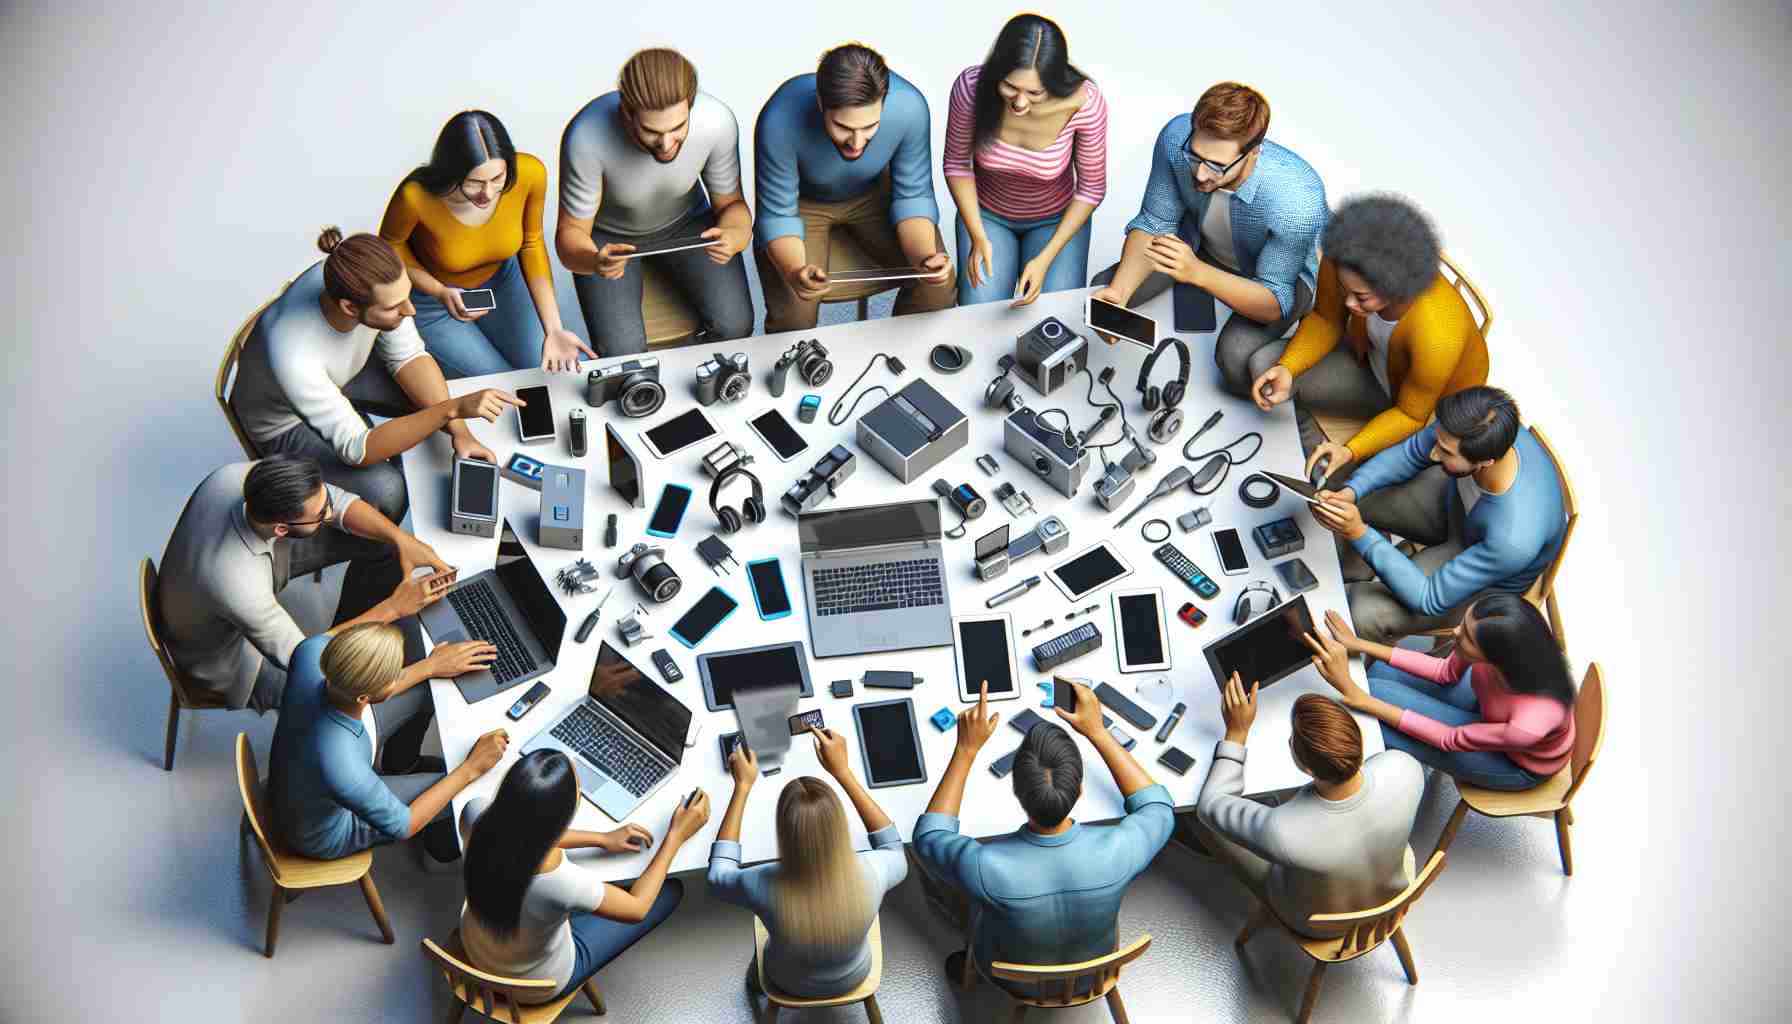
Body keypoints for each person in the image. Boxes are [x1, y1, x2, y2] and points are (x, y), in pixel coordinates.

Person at [229, 227, 520, 553]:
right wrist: (449, 410)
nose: (410, 311)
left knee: (440, 411)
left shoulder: (361, 278)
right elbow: (357, 450)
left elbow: (408, 355)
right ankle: (380, 555)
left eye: (407, 296)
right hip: (283, 422)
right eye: (396, 307)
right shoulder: (293, 354)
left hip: (345, 373)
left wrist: (459, 431)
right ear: (350, 308)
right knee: (388, 489)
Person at [913, 681, 1172, 992]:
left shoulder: (984, 863)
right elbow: (1158, 808)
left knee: (937, 874)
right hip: (1093, 975)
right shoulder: (1120, 847)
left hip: (1015, 979)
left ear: (1018, 792)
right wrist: (1099, 732)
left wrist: (966, 750)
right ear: (1079, 790)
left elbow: (928, 837)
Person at [157, 455, 454, 713]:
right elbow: (309, 661)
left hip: (235, 578)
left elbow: (336, 501)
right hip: (231, 661)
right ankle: (397, 762)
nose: (330, 511)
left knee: (385, 546)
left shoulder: (239, 478)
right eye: (321, 513)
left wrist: (401, 539)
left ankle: (349, 630)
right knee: (340, 693)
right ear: (282, 528)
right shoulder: (236, 585)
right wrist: (395, 610)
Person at [1089, 82, 1327, 397]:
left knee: (1236, 361)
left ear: (1253, 152)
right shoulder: (1176, 137)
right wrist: (1119, 293)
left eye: (1216, 165)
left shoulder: (1297, 201)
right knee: (1103, 292)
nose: (1200, 174)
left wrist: (1197, 274)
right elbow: (1154, 221)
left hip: (1275, 277)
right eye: (1195, 156)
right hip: (1200, 247)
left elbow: (1275, 301)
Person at [1249, 194, 1489, 485]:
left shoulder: (1438, 335)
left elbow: (1411, 415)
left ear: (1400, 289)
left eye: (1361, 297)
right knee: (1265, 366)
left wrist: (1351, 450)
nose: (1348, 303)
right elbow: (1326, 319)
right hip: (1368, 365)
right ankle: (1318, 437)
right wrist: (1289, 367)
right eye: (1343, 288)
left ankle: (1329, 444)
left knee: (1336, 483)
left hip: (1414, 410)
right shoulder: (1344, 260)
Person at [1310, 386, 1567, 643]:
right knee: (1340, 487)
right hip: (1453, 509)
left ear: (1486, 462)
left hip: (1483, 574)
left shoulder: (1513, 540)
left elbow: (1428, 598)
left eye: (1445, 452)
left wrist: (1360, 534)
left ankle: (1352, 663)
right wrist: (1353, 491)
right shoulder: (1476, 427)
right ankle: (1351, 567)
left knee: (1364, 612)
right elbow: (1410, 452)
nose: (1433, 453)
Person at [460, 750, 705, 1004]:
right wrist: (677, 835)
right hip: (533, 984)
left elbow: (522, 829)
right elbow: (637, 908)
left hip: (475, 950)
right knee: (669, 891)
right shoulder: (563, 883)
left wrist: (601, 839)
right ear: (562, 817)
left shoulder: (474, 814)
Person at [1193, 673, 1423, 937]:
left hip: (1318, 924)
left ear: (1305, 767)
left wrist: (1236, 732)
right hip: (1392, 895)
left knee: (1200, 821)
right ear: (1356, 738)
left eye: (1292, 741)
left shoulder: (1281, 830)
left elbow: (1210, 804)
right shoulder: (1405, 767)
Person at [556, 48, 754, 355]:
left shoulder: (717, 122)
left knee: (735, 326)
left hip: (688, 223)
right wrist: (595, 260)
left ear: (691, 105)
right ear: (625, 112)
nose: (665, 144)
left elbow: (732, 206)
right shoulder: (586, 136)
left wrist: (735, 234)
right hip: (610, 238)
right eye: (651, 131)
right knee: (621, 351)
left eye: (678, 128)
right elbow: (569, 238)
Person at [753, 43, 954, 333]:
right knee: (795, 312)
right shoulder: (780, 117)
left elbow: (913, 196)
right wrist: (796, 272)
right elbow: (777, 216)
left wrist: (926, 259)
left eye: (870, 126)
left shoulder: (910, 107)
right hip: (802, 204)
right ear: (821, 103)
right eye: (843, 127)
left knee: (938, 288)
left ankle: (901, 360)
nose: (857, 143)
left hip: (873, 195)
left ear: (884, 101)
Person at [379, 110, 595, 377]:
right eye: (474, 183)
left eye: (497, 179)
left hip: (502, 281)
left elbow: (531, 244)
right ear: (451, 173)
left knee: (541, 369)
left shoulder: (531, 173)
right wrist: (438, 291)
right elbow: (389, 247)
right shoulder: (415, 196)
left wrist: (555, 329)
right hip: (433, 300)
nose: (488, 193)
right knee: (500, 381)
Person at [267, 622, 507, 861]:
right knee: (473, 779)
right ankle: (442, 844)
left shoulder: (311, 651)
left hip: (306, 773)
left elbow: (346, 661)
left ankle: (402, 763)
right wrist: (470, 769)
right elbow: (404, 825)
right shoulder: (343, 767)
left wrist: (431, 665)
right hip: (324, 833)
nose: (401, 674)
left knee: (429, 686)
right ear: (364, 697)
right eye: (394, 676)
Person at [710, 730, 907, 1001]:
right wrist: (843, 772)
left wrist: (742, 788)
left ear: (783, 832)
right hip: (854, 973)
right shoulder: (873, 870)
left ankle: (756, 986)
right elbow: (893, 848)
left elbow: (718, 875)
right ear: (839, 824)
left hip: (787, 980)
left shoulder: (760, 882)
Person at [1306, 601, 1577, 791]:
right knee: (1379, 674)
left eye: (1467, 636)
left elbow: (1449, 738)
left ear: (1497, 657)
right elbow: (1444, 671)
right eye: (1464, 623)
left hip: (1514, 762)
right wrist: (1359, 643)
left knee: (1371, 711)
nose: (1455, 631)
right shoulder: (1513, 649)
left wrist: (1364, 700)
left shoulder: (1528, 723)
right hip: (1490, 709)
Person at [943, 14, 1107, 307]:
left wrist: (1045, 259)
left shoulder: (1086, 103)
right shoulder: (971, 87)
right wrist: (977, 234)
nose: (1019, 103)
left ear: (1054, 83)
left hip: (1056, 220)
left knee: (1053, 315)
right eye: (1009, 87)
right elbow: (956, 164)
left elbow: (1091, 189)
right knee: (978, 313)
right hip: (987, 216)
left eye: (1035, 93)